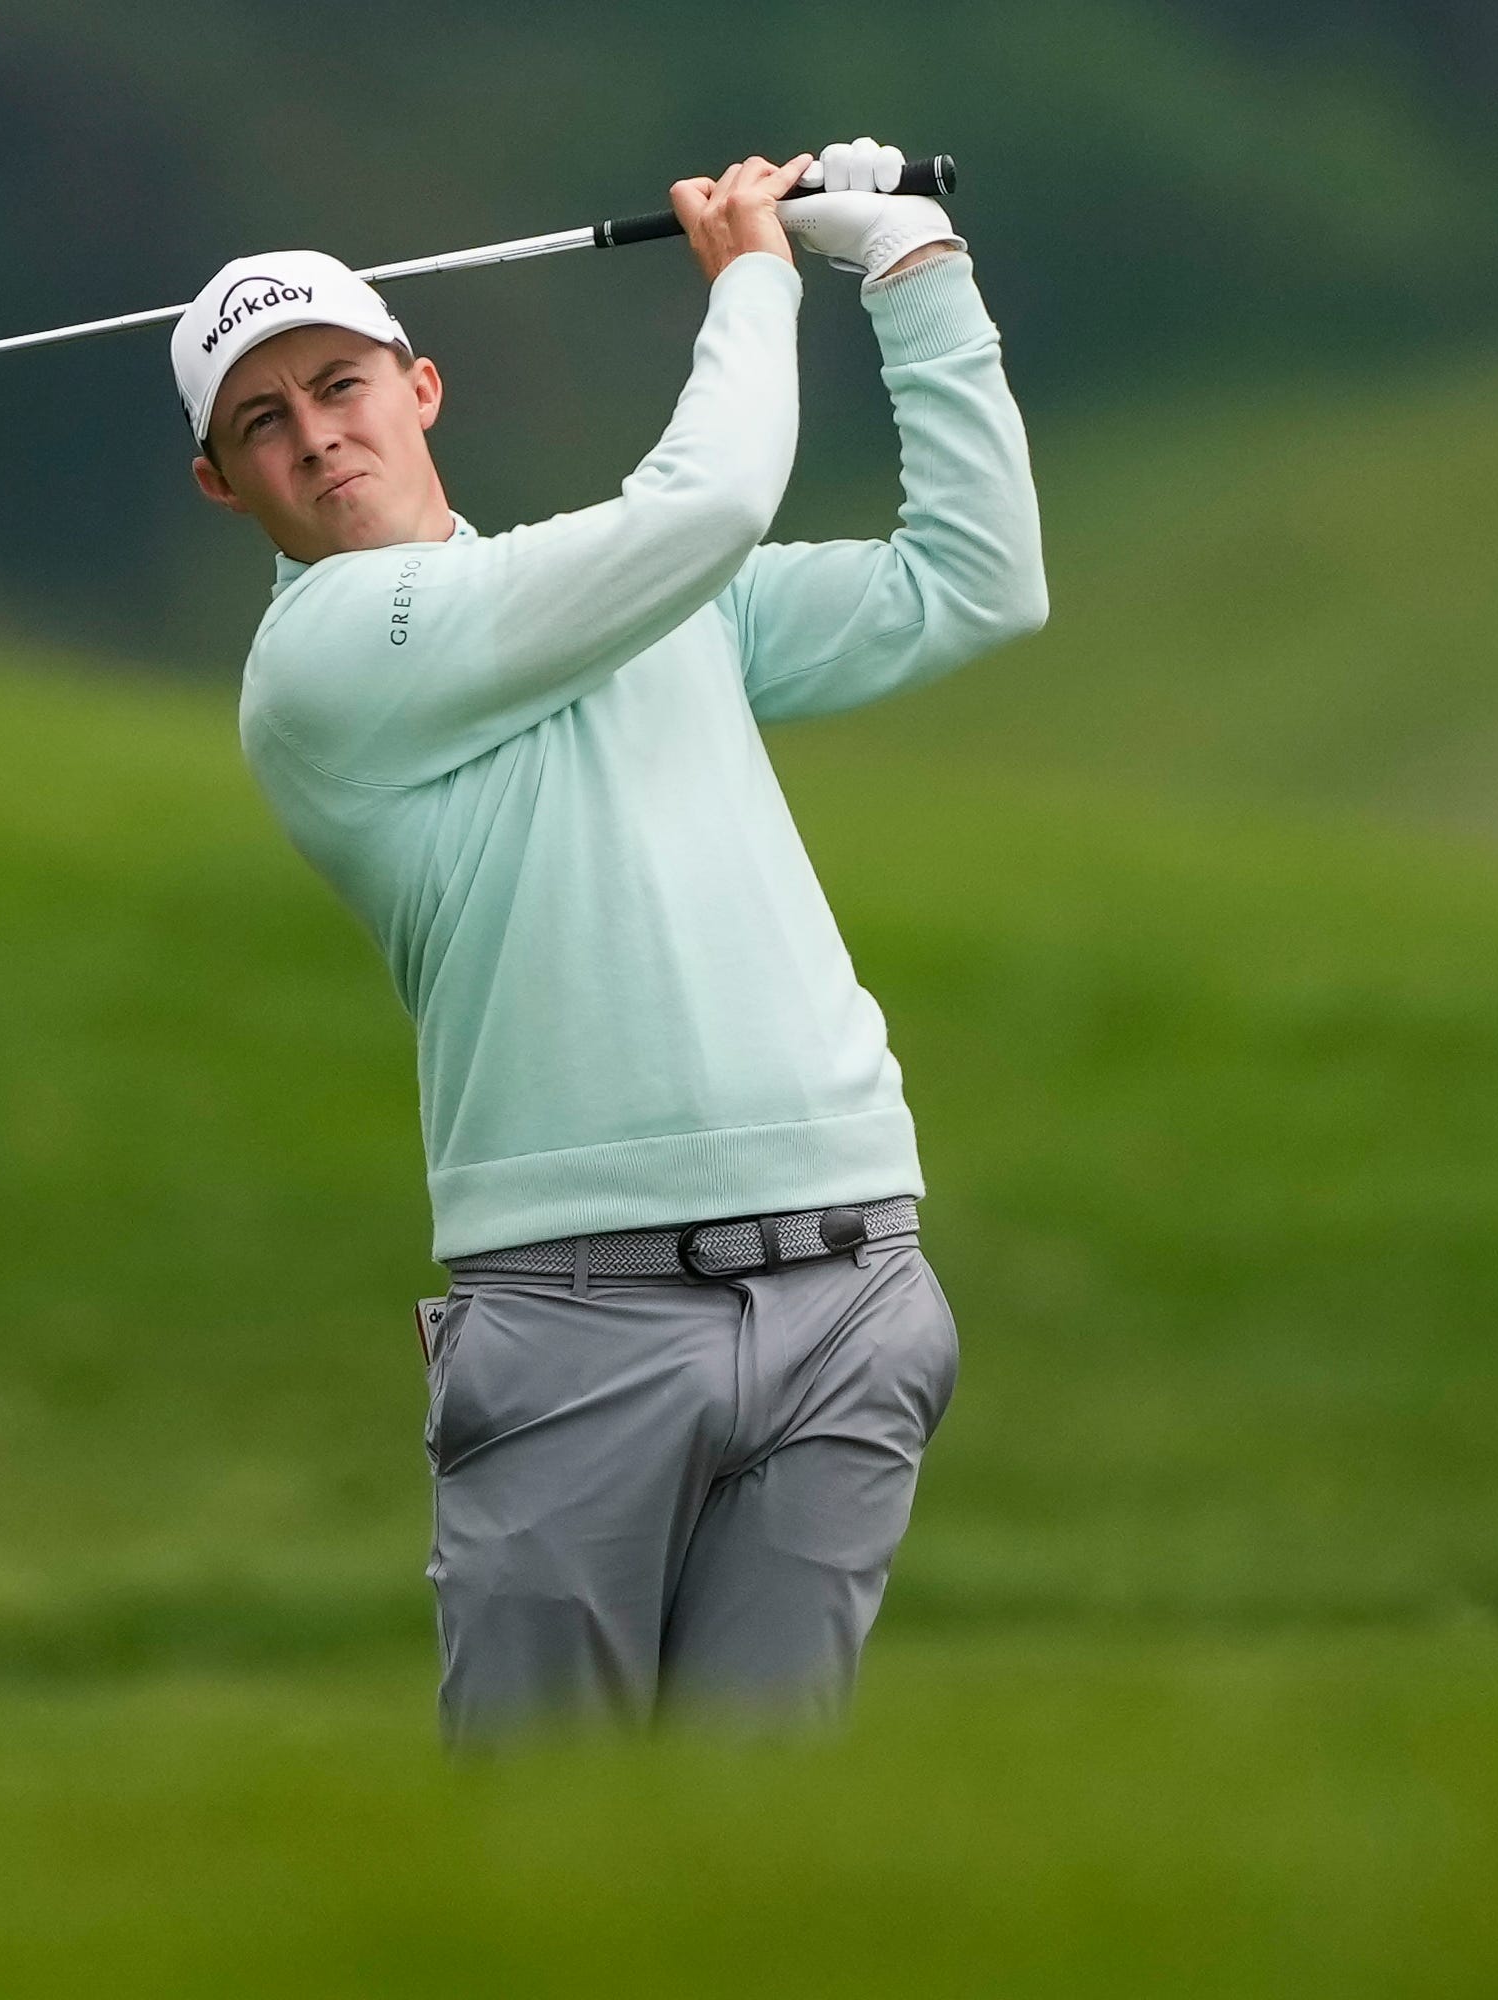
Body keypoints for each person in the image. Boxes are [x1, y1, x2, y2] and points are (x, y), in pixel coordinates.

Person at [176, 140, 1048, 1747]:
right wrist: (761, 274)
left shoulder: (653, 600)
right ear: (225, 486)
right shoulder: (324, 670)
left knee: (752, 1871)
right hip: (579, 1319)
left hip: (847, 1275)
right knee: (551, 1877)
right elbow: (706, 501)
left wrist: (920, 271)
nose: (317, 434)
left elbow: (975, 585)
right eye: (262, 421)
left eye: (339, 385)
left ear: (417, 388)